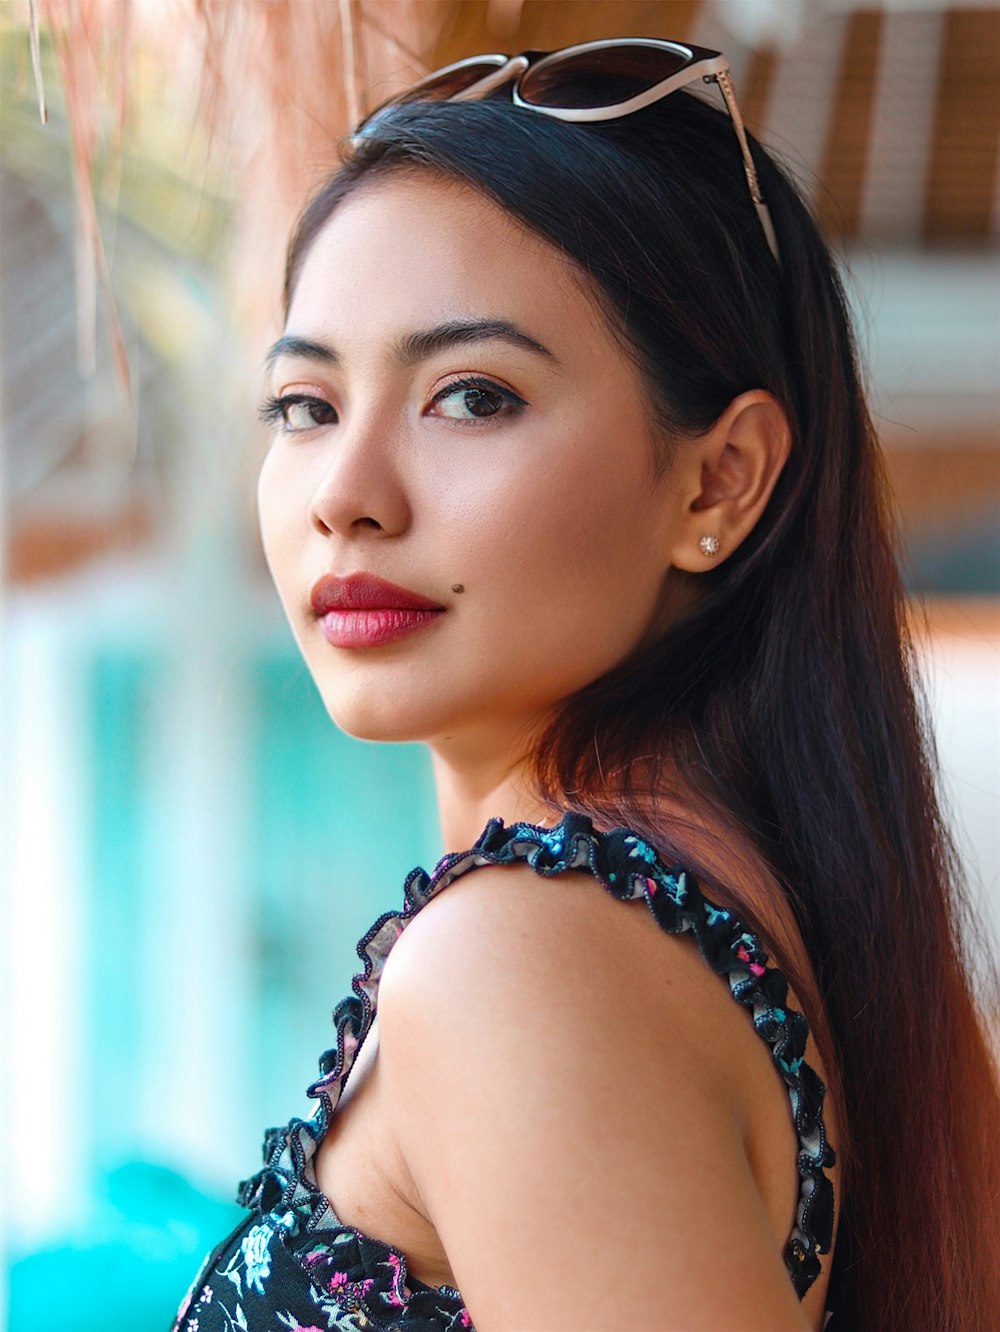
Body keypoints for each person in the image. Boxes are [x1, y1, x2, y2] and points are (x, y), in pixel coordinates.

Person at [171, 38, 1000, 1332]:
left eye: (473, 396)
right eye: (305, 404)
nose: (345, 497)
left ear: (717, 481)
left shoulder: (526, 956)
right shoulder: (718, 907)